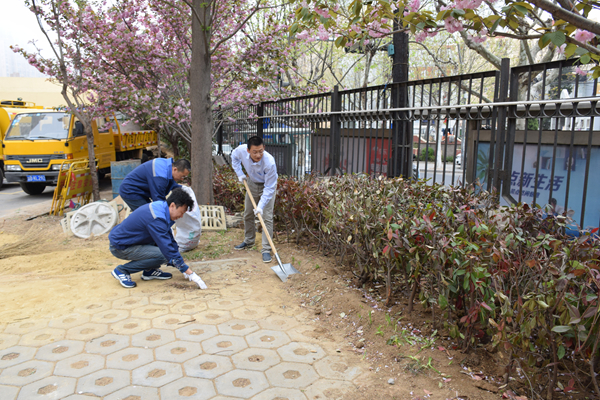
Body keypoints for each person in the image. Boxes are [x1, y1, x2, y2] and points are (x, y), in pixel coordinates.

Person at [109, 187, 207, 289]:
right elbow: (167, 249)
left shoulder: (162, 209)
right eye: (181, 212)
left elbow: (170, 241)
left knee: (166, 250)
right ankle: (123, 270)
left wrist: (181, 264)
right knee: (163, 255)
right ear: (172, 205)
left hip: (134, 240)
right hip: (121, 246)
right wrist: (189, 272)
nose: (181, 216)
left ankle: (149, 270)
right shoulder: (157, 218)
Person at [231, 136, 278, 263]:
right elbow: (234, 158)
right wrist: (240, 173)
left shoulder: (269, 162)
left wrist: (260, 207)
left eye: (261, 151)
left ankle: (266, 249)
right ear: (248, 151)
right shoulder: (240, 150)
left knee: (266, 217)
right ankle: (249, 240)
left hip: (267, 186)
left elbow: (269, 188)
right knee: (248, 213)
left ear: (264, 148)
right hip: (251, 183)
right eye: (255, 152)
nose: (258, 155)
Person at [119, 158, 191, 211]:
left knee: (150, 213)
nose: (182, 179)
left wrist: (182, 188)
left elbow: (170, 182)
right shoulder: (160, 176)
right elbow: (158, 200)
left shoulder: (167, 166)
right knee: (148, 215)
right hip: (130, 190)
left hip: (140, 190)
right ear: (175, 169)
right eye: (182, 176)